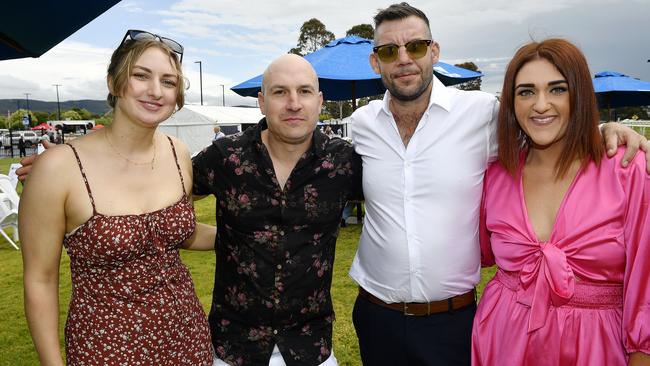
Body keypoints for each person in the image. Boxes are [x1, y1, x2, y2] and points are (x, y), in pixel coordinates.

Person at [348, 3, 650, 366]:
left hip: (453, 321)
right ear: (374, 62)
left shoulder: (479, 114)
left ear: (434, 51)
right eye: (387, 50)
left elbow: (545, 124)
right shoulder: (361, 125)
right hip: (377, 315)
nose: (403, 59)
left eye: (414, 46)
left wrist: (604, 130)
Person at [20, 29, 214, 365]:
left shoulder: (177, 152)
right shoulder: (59, 168)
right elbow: (40, 278)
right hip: (105, 348)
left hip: (187, 340)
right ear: (114, 83)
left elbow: (168, 235)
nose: (155, 91)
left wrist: (252, 234)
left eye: (168, 81)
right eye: (141, 76)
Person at [472, 38, 650, 366]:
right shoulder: (495, 176)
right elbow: (481, 254)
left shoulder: (628, 170)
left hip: (596, 348)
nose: (541, 104)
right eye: (526, 91)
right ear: (511, 103)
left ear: (579, 96)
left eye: (557, 89)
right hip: (503, 342)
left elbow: (646, 291)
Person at [192, 54, 362, 365]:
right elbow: (164, 200)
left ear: (320, 101)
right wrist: (223, 238)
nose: (294, 103)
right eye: (280, 92)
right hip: (233, 348)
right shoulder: (224, 157)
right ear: (261, 101)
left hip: (311, 347)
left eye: (305, 91)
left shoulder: (345, 163)